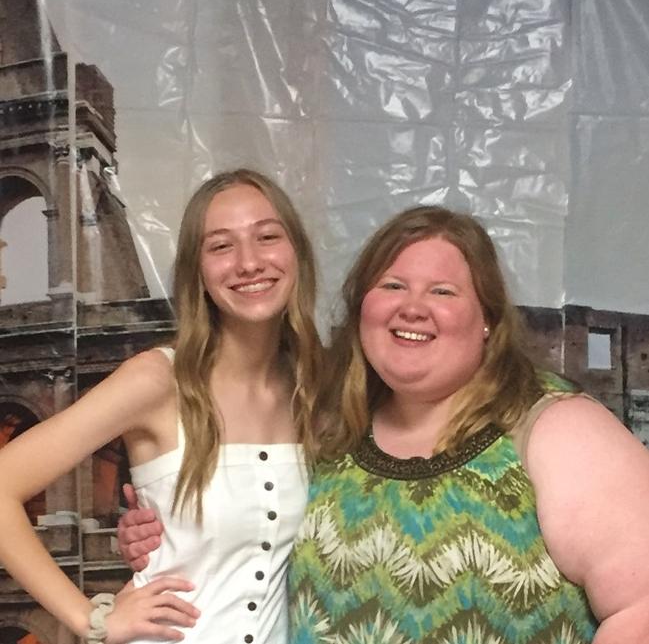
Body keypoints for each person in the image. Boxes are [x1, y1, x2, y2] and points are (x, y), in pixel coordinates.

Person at [119, 206, 649, 643]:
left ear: (488, 318)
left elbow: (641, 609)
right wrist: (167, 532)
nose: (413, 308)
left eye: (443, 292)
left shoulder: (556, 429)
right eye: (393, 285)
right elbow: (255, 526)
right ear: (362, 309)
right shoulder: (332, 429)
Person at [0, 168, 322, 644]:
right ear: (198, 271)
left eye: (267, 237)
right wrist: (93, 618)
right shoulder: (156, 380)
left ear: (297, 251)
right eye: (221, 246)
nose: (249, 262)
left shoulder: (318, 390)